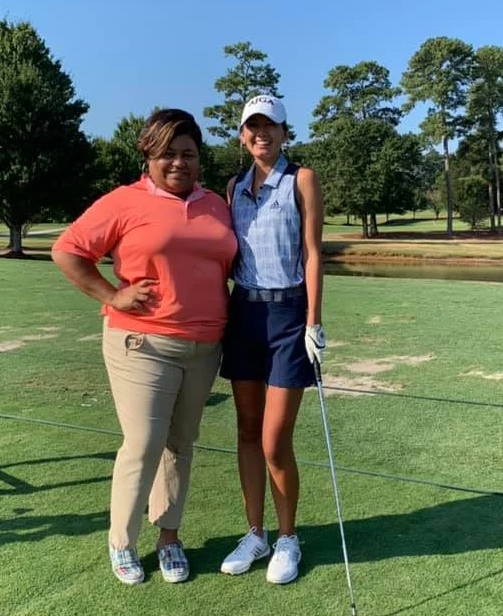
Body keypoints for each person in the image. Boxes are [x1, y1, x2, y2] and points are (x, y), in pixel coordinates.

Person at [51, 109, 237, 585]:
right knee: (143, 445)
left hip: (205, 347)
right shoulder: (124, 201)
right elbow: (68, 250)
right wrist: (112, 294)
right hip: (142, 343)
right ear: (149, 157)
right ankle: (122, 542)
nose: (179, 163)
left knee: (181, 445)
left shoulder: (216, 204)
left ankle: (169, 538)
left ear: (200, 158)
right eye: (168, 154)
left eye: (188, 154)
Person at [219, 94, 326, 584]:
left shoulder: (301, 178)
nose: (261, 134)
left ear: (285, 132)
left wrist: (313, 321)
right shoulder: (234, 186)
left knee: (274, 440)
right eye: (252, 127)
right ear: (242, 136)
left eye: (270, 126)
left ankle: (287, 538)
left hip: (287, 314)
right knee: (245, 430)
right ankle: (256, 532)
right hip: (242, 311)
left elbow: (312, 253)